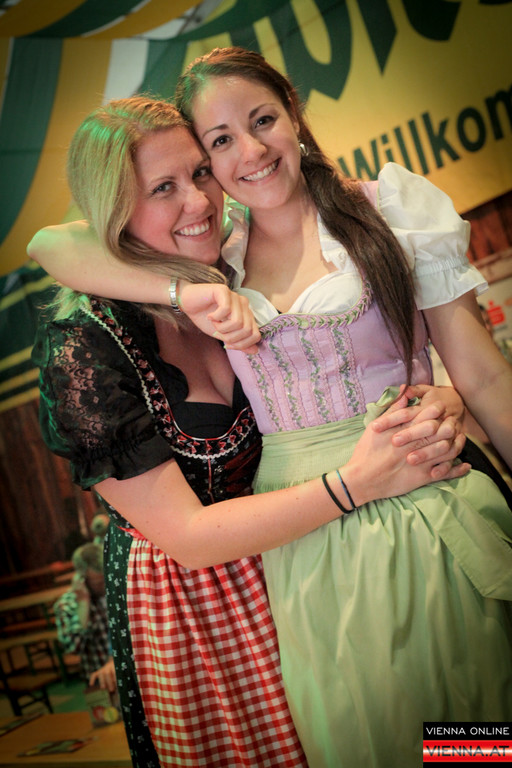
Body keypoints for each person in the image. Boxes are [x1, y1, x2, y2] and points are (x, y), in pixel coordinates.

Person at [28, 96, 468, 768]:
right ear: (113, 213)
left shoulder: (234, 263)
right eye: (163, 188)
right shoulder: (86, 345)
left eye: (201, 172)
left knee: (436, 713)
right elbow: (187, 537)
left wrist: (439, 392)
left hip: (312, 554)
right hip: (197, 607)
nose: (199, 201)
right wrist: (355, 483)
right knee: (348, 741)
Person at [53, 543, 115, 691]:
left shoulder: (114, 590)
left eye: (107, 578)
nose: (106, 585)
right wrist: (83, 605)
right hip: (99, 679)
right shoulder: (67, 603)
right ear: (82, 579)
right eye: (99, 582)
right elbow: (73, 648)